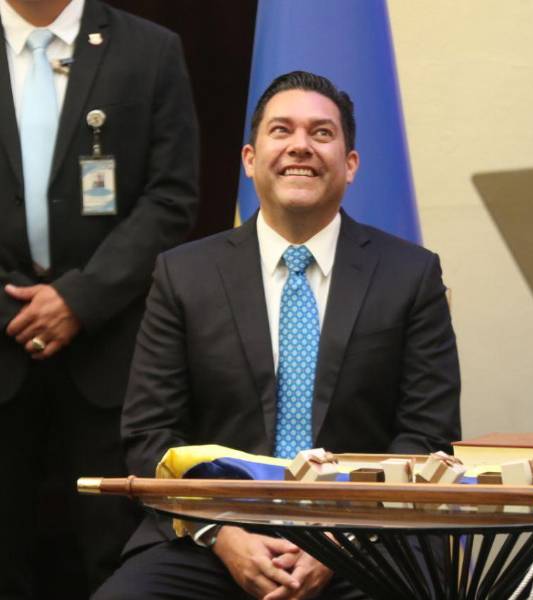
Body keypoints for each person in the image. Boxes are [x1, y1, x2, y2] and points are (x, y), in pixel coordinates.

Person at [93, 71, 461, 600]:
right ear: (249, 158)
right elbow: (151, 437)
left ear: (350, 164)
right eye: (282, 130)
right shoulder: (183, 275)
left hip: (368, 538)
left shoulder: (411, 275)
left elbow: (427, 437)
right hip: (211, 537)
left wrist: (343, 540)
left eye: (322, 133)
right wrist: (221, 532)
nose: (300, 147)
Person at [0, 0, 198, 596]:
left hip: (111, 356)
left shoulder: (150, 49)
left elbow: (171, 196)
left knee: (114, 560)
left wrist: (79, 299)